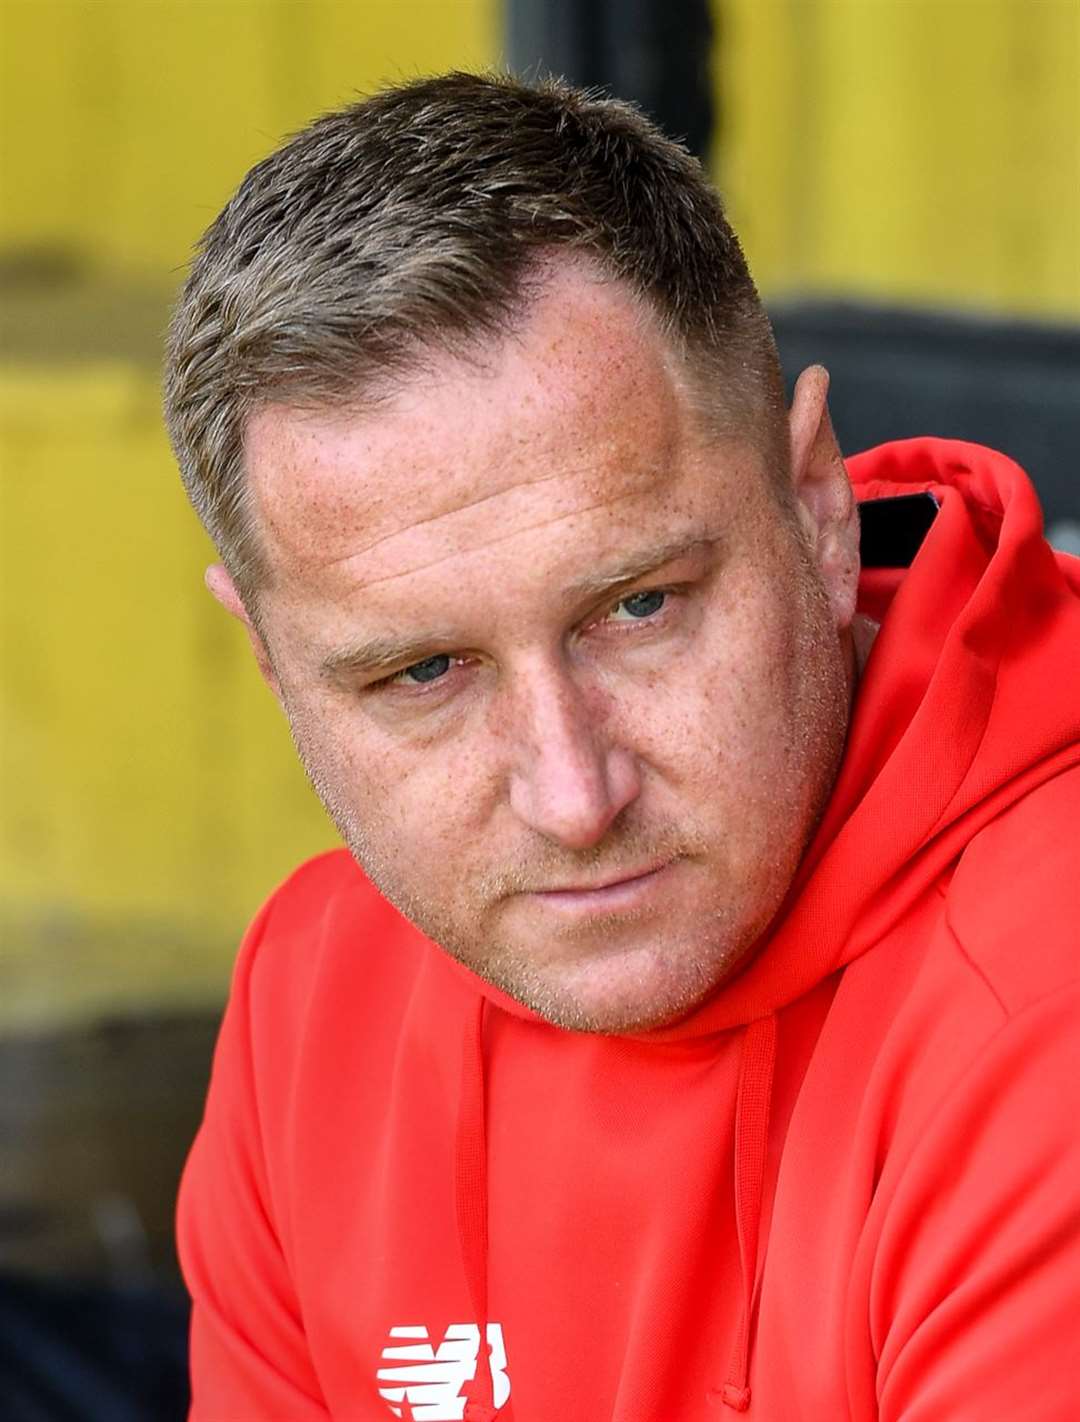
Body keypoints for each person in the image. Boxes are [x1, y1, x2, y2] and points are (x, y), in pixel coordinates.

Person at [164, 73, 1080, 1422]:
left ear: (820, 506)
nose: (572, 793)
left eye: (639, 607)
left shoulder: (1044, 990)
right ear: (271, 657)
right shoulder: (316, 1006)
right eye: (424, 671)